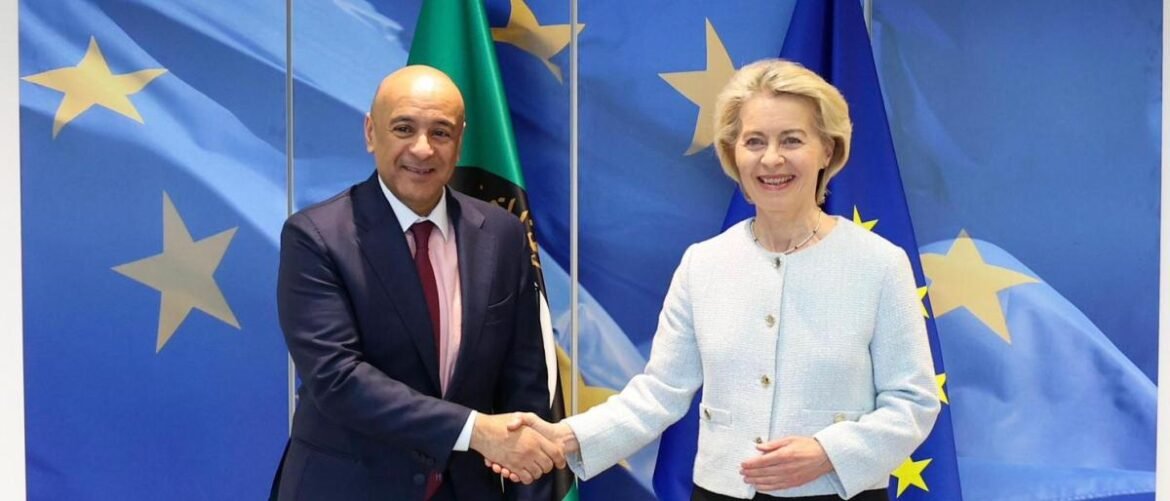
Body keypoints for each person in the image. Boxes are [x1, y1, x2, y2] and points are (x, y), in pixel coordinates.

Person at [494, 59, 940, 500]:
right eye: (754, 141)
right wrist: (561, 437)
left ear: (828, 149)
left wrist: (829, 451)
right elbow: (659, 393)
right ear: (733, 153)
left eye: (792, 140)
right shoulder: (703, 264)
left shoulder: (879, 264)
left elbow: (914, 402)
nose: (771, 159)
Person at [272, 65, 563, 501]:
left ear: (460, 141)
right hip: (348, 487)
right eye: (404, 128)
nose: (422, 149)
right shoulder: (316, 236)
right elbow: (338, 378)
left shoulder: (502, 234)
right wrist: (475, 430)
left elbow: (525, 380)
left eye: (441, 133)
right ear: (372, 133)